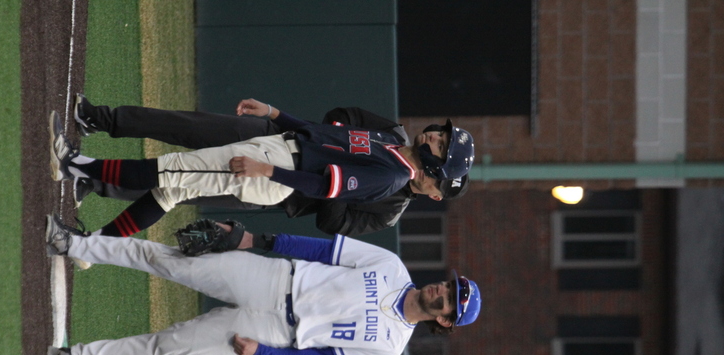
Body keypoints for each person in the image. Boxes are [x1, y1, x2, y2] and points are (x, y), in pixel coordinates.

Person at [43, 214, 481, 355]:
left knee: (169, 347)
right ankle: (73, 244)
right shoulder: (391, 267)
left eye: (449, 302)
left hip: (275, 333)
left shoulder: (390, 346)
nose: (442, 291)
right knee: (169, 262)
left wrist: (265, 354)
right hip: (273, 279)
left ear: (443, 323)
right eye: (449, 286)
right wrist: (258, 240)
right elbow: (320, 249)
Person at [48, 98, 473, 239]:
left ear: (435, 185)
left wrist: (270, 173)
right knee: (171, 187)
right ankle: (96, 244)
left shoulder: (394, 179)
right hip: (281, 149)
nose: (436, 138)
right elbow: (326, 129)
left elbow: (328, 192)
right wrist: (277, 114)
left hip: (278, 172)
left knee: (173, 173)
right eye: (441, 135)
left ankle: (75, 166)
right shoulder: (391, 144)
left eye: (442, 147)